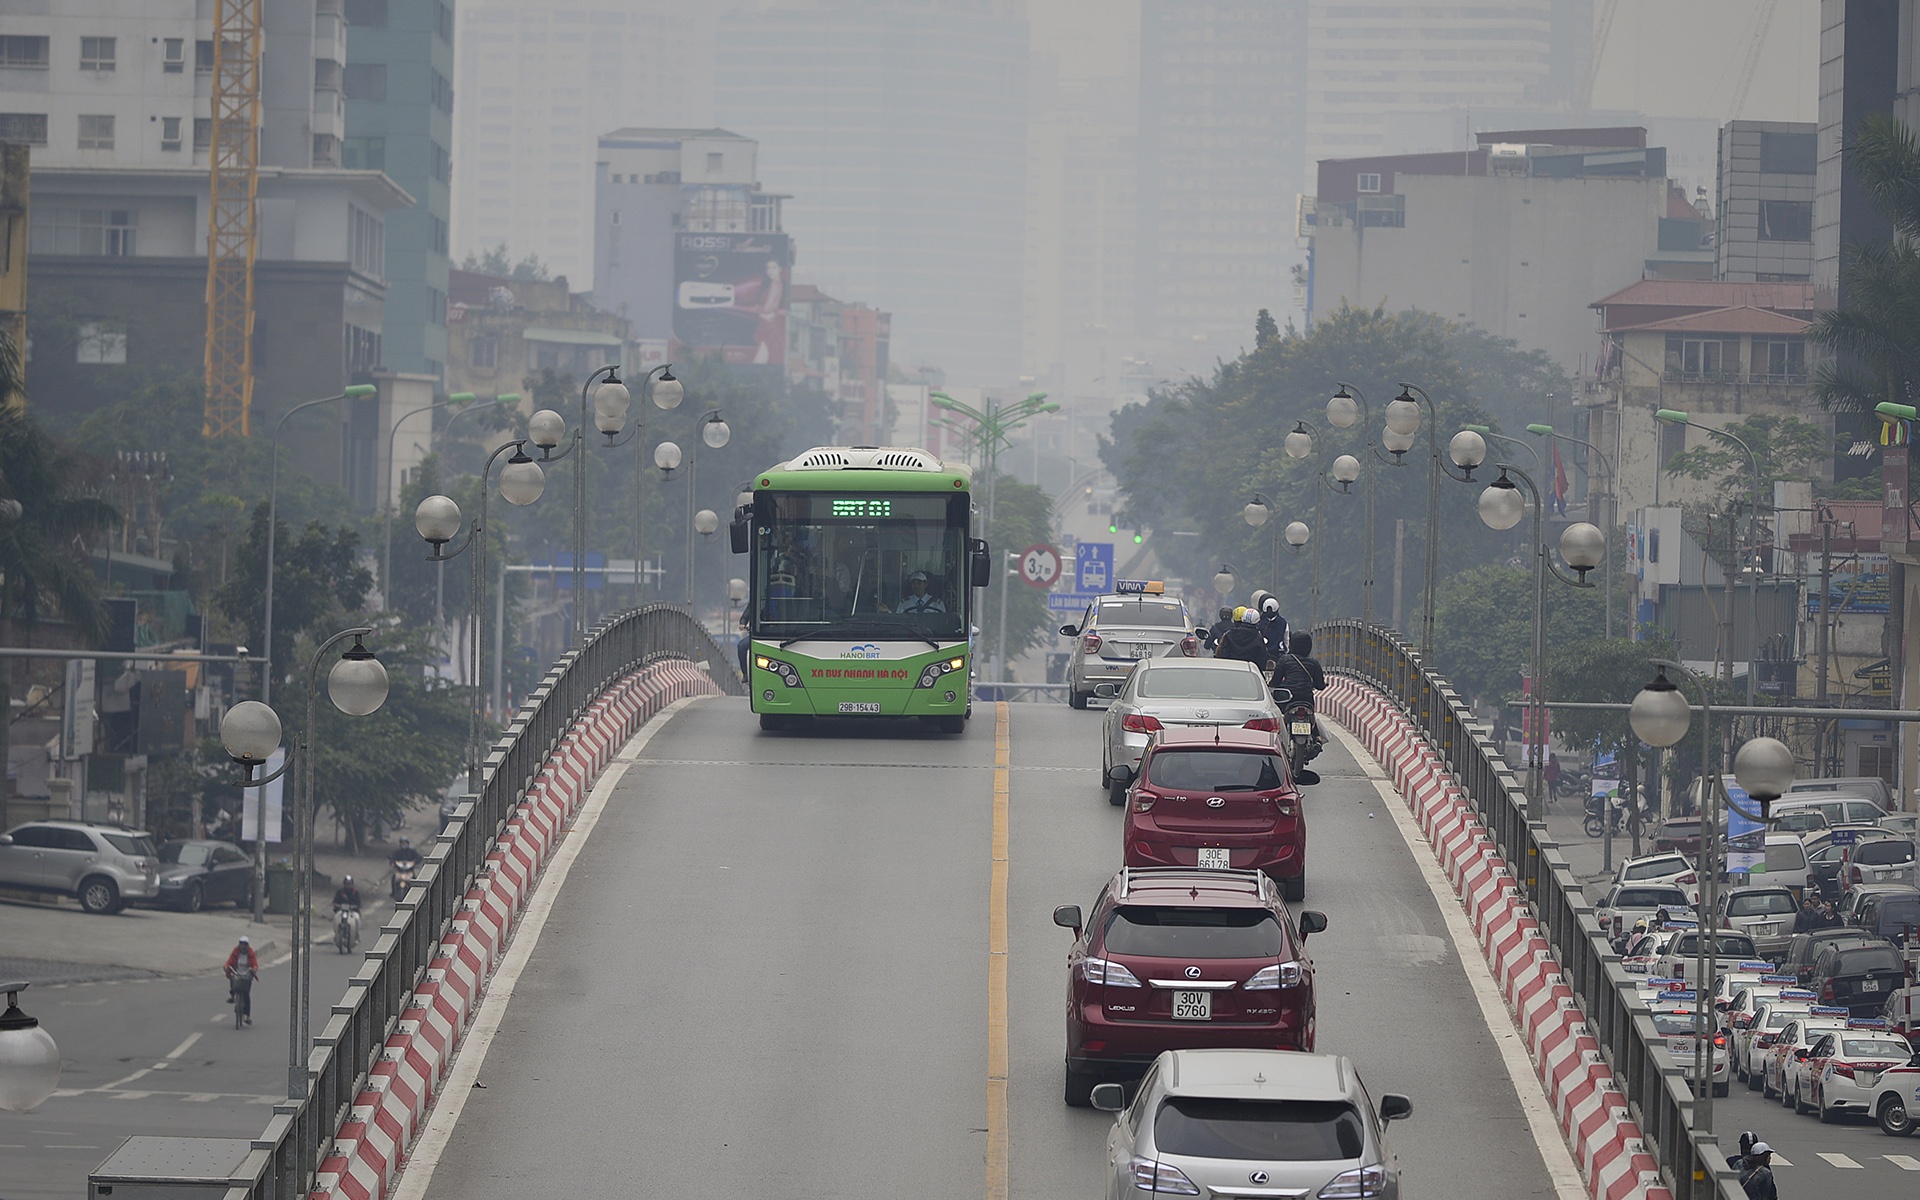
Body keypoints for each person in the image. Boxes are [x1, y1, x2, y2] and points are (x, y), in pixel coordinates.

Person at [225, 935, 258, 1025]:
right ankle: (232, 996)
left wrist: (254, 969)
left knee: (246, 994)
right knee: (233, 980)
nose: (243, 946)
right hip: (237, 973)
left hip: (247, 974)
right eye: (241, 944)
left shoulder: (251, 953)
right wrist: (227, 967)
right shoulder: (235, 952)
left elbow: (255, 964)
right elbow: (230, 961)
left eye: (245, 944)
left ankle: (247, 1016)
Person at [1256, 596, 1291, 664]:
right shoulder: (1283, 622)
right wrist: (1286, 651)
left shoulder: (1260, 622)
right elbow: (1286, 639)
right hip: (1279, 655)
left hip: (1263, 655)